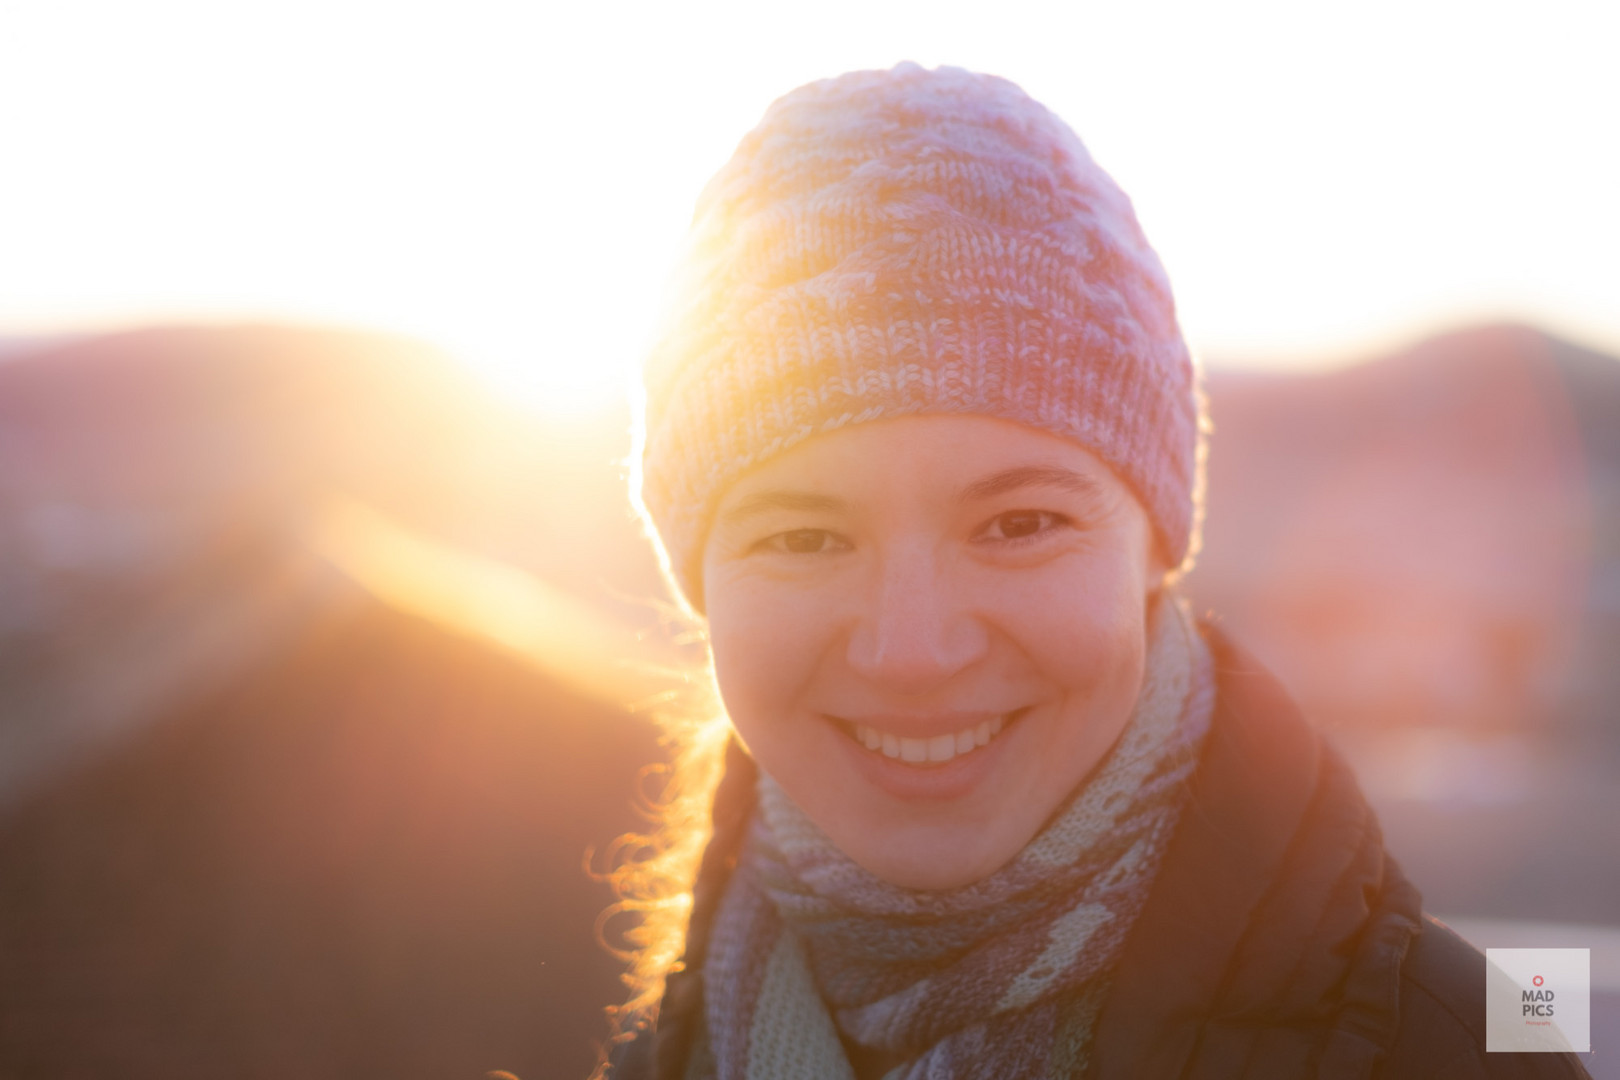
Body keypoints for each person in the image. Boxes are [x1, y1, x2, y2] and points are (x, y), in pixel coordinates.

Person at [598, 62, 1592, 1080]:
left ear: (1156, 547)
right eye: (804, 539)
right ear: (699, 579)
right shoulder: (672, 1044)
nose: (913, 649)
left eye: (1019, 523)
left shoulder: (1470, 1053)